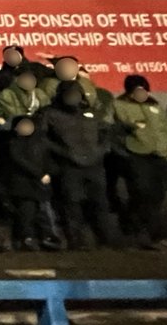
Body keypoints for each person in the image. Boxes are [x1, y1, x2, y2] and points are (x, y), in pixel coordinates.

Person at [41, 80, 119, 249]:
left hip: (95, 165)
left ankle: (106, 240)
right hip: (69, 167)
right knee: (72, 204)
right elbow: (42, 138)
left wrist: (102, 150)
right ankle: (76, 241)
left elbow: (107, 133)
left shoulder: (92, 113)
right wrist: (63, 153)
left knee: (100, 202)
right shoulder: (50, 114)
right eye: (69, 94)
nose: (73, 98)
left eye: (76, 94)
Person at [110, 75, 167, 247]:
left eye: (144, 91)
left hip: (160, 156)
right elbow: (114, 128)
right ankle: (141, 233)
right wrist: (125, 149)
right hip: (137, 156)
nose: (142, 94)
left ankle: (151, 232)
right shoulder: (119, 105)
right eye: (137, 91)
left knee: (157, 195)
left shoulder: (154, 105)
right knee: (141, 193)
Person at [0, 115, 57, 251]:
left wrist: (49, 172)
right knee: (27, 214)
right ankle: (26, 239)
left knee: (45, 213)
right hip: (23, 184)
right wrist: (40, 174)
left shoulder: (41, 142)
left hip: (41, 185)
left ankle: (47, 238)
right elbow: (19, 161)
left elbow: (50, 159)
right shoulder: (13, 144)